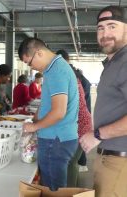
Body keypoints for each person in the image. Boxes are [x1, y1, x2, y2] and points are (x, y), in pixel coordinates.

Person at [18, 37, 79, 191]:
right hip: (58, 137)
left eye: (29, 62)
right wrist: (35, 118)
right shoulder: (53, 69)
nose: (31, 68)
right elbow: (48, 103)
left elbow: (59, 112)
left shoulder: (56, 71)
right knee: (53, 186)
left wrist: (35, 126)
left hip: (55, 139)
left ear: (38, 53)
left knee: (53, 190)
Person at [79, 6, 127, 197]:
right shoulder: (113, 63)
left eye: (112, 26)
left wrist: (98, 134)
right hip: (109, 158)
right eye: (100, 28)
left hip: (119, 162)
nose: (105, 33)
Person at [56, 49, 92, 187]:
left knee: (70, 162)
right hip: (79, 125)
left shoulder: (66, 78)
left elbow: (60, 110)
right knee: (72, 161)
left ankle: (68, 192)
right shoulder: (72, 76)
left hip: (78, 126)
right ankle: (70, 190)